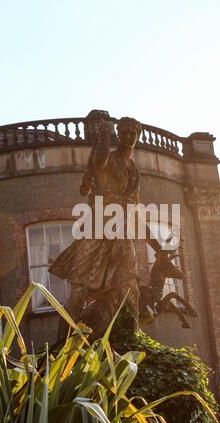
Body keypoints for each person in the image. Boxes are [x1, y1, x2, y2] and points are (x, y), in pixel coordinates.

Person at [48, 117, 142, 338]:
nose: (128, 136)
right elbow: (98, 161)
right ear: (118, 134)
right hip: (99, 228)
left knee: (131, 287)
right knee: (79, 291)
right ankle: (61, 343)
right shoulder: (108, 159)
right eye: (124, 132)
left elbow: (135, 205)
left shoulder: (134, 170)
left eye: (132, 133)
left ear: (137, 135)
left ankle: (132, 339)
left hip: (121, 232)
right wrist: (103, 133)